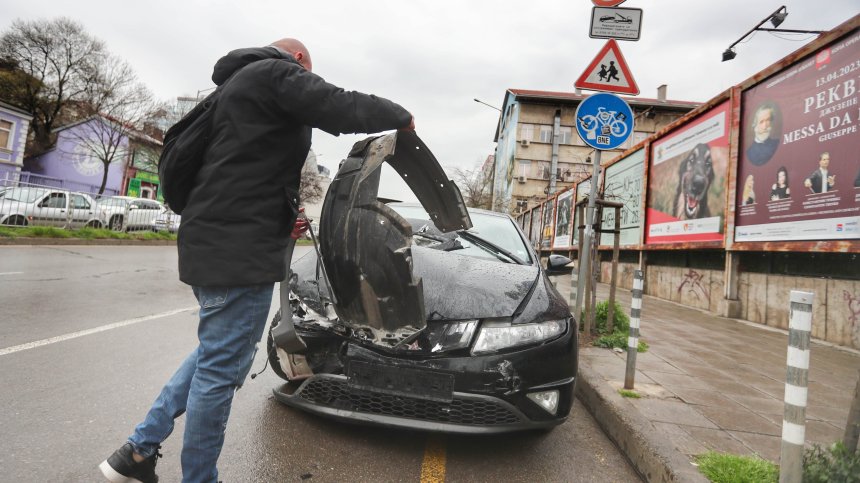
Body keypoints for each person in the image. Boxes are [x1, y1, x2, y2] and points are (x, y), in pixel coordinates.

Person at [99, 38, 414, 483]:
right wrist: (400, 117)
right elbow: (337, 105)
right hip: (235, 250)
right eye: (307, 71)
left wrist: (281, 219)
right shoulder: (274, 74)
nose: (306, 79)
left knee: (213, 356)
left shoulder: (236, 89)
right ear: (299, 61)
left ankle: (136, 451)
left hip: (217, 239)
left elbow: (244, 173)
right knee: (220, 370)